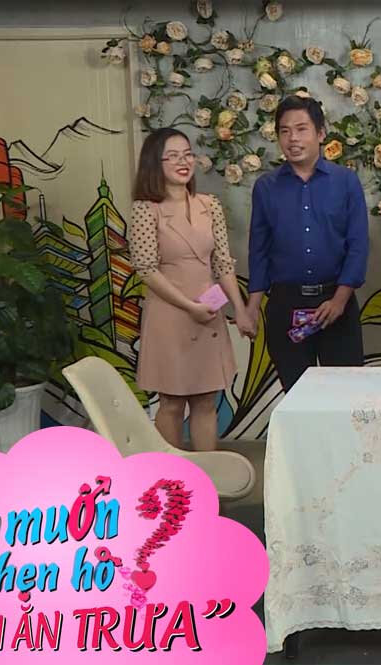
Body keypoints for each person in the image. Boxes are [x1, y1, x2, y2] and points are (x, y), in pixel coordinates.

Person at [128, 127, 253, 452]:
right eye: (172, 156)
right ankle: (173, 477)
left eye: (187, 155)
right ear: (155, 163)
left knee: (206, 400)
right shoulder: (146, 209)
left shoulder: (209, 205)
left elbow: (223, 263)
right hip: (170, 316)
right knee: (172, 403)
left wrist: (240, 311)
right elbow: (146, 268)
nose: (183, 162)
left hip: (208, 313)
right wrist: (188, 306)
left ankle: (206, 474)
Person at [243, 95, 369, 391]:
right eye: (284, 131)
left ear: (321, 133)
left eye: (301, 129)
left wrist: (339, 301)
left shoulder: (346, 182)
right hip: (285, 306)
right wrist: (252, 308)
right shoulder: (266, 187)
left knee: (346, 395)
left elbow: (358, 245)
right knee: (298, 396)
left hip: (336, 301)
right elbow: (258, 250)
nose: (293, 139)